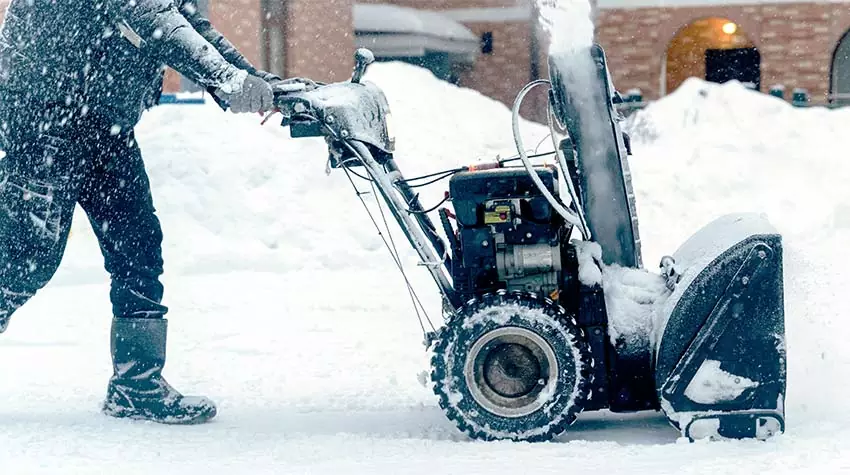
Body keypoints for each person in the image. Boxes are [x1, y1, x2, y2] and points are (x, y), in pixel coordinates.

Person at [0, 0, 296, 425]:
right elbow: (153, 18)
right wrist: (228, 80)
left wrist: (252, 79)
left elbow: (189, 26)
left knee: (136, 243)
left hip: (103, 119)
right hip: (46, 113)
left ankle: (135, 385)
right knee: (25, 258)